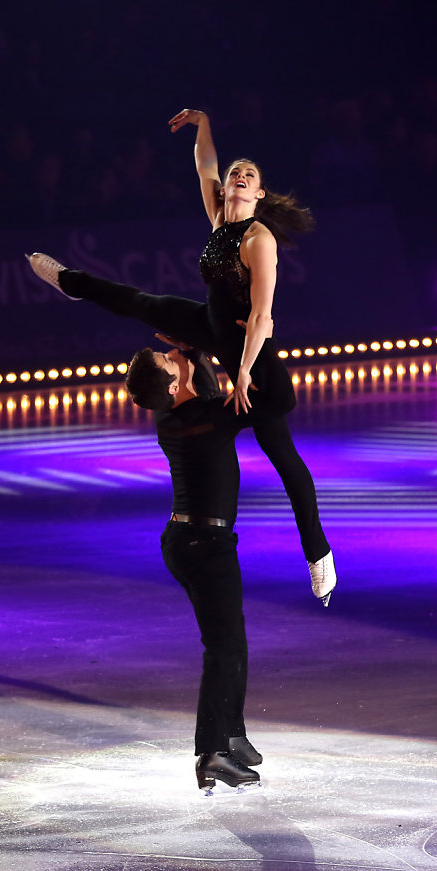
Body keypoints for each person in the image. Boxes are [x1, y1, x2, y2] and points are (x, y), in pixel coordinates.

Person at [25, 108, 335, 606]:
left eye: (249, 175)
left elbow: (261, 319)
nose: (238, 176)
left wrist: (242, 373)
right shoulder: (218, 217)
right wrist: (206, 122)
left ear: (258, 195)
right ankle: (69, 281)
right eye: (236, 172)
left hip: (254, 364)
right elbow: (204, 163)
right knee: (145, 302)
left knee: (284, 460)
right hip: (212, 328)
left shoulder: (260, 240)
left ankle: (318, 555)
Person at [125, 336, 296, 792]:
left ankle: (232, 733)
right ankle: (211, 753)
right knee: (223, 647)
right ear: (173, 383)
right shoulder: (205, 419)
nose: (173, 355)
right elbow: (280, 399)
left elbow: (197, 374)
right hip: (204, 546)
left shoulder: (174, 413)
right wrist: (257, 348)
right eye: (167, 359)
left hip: (193, 540)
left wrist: (192, 350)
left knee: (231, 642)